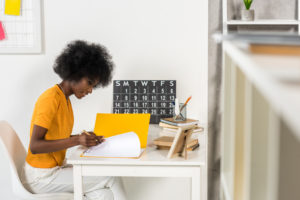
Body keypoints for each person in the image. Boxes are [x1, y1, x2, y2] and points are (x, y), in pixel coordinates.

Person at [20, 40, 127, 200]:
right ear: (75, 73)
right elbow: (35, 146)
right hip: (40, 177)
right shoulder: (50, 99)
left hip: (54, 170)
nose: (90, 90)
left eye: (94, 86)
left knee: (103, 194)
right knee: (110, 177)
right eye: (89, 83)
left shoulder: (64, 99)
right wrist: (77, 140)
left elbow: (54, 138)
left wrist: (83, 138)